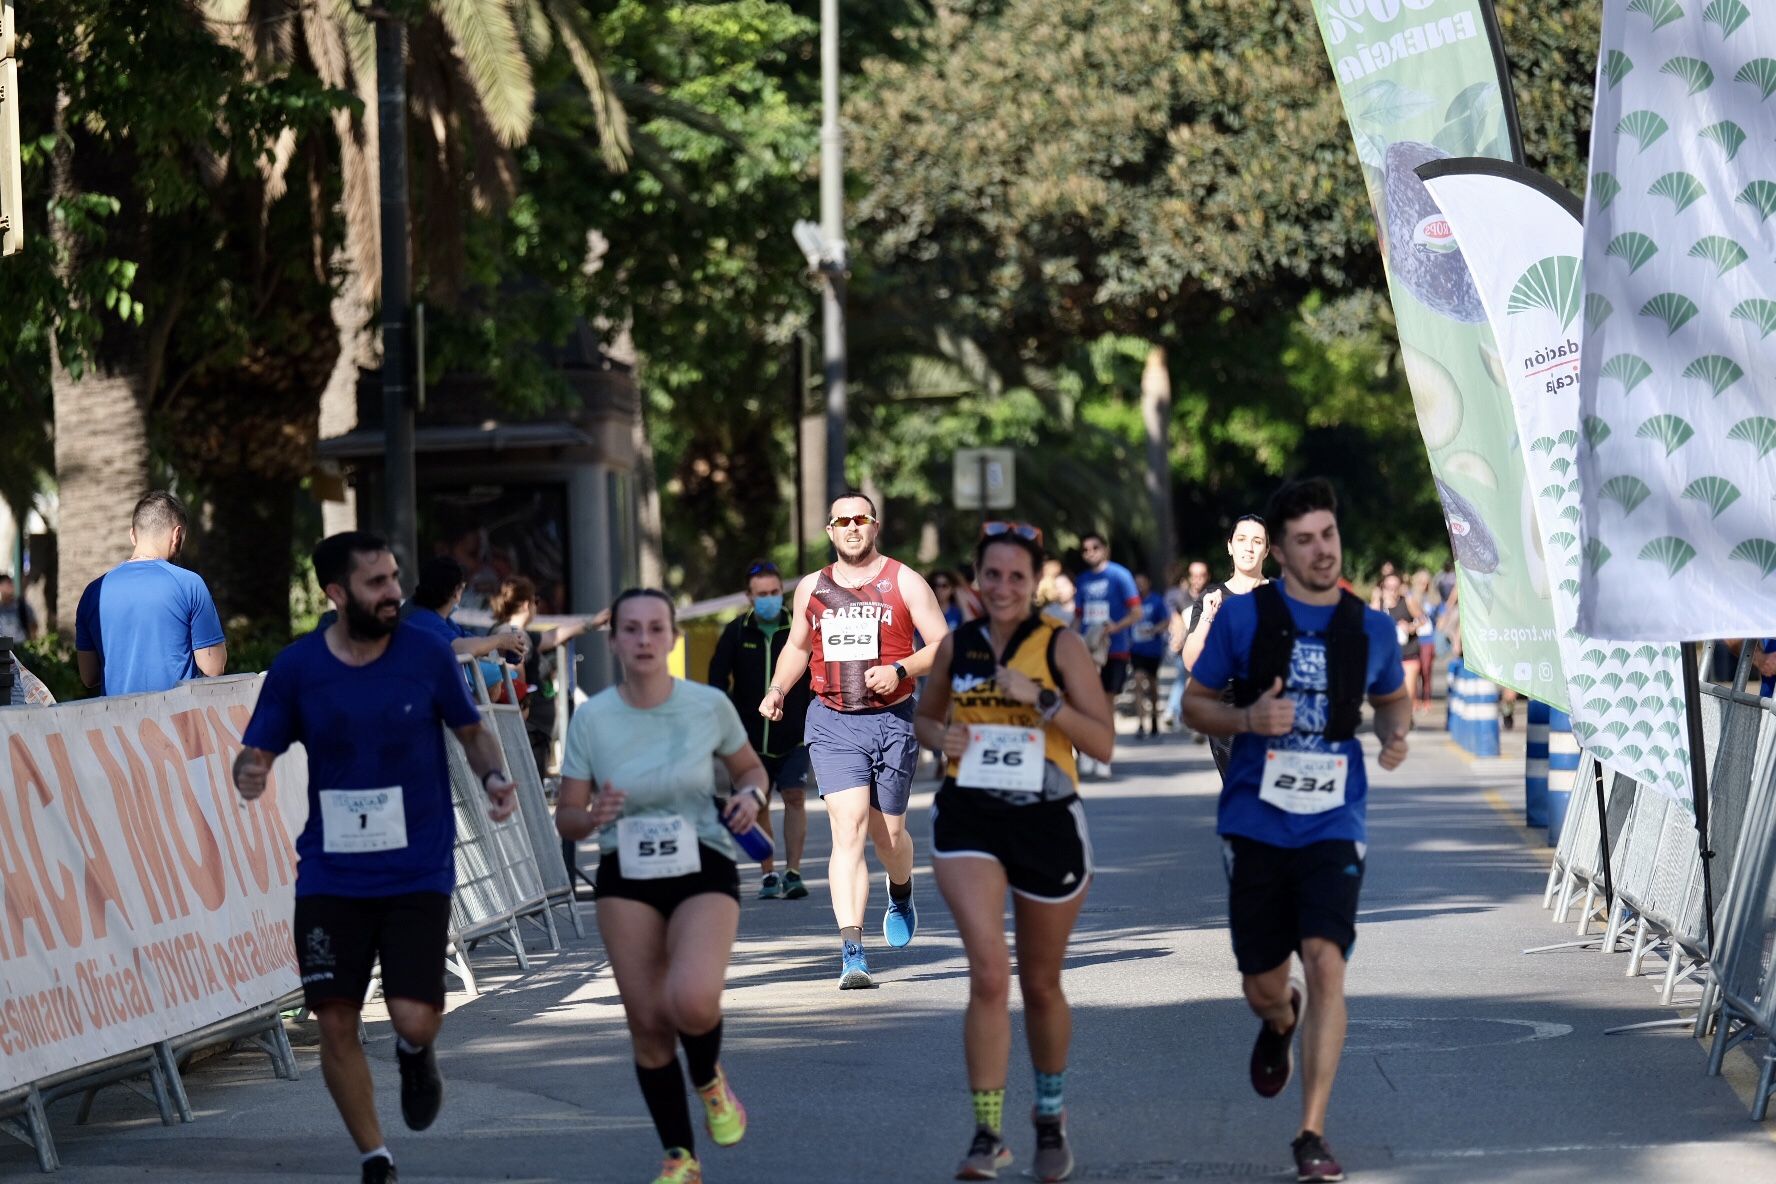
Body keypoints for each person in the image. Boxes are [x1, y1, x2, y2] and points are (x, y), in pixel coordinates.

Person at [233, 532, 519, 1184]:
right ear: (336, 595)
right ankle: (376, 1158)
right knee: (334, 1017)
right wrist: (248, 771)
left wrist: (495, 779)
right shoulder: (299, 668)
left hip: (417, 865)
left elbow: (470, 729)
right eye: (376, 583)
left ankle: (415, 1050)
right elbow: (257, 751)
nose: (393, 593)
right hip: (333, 873)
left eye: (394, 578)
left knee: (414, 1013)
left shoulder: (426, 652)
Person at [1182, 478, 1412, 1184]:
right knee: (1263, 982)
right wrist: (1247, 720)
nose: (1321, 551)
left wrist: (1395, 736)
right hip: (1254, 818)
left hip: (1333, 821)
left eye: (1329, 536)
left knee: (1327, 961)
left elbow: (1392, 699)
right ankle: (1280, 1021)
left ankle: (1311, 1132)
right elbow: (1194, 705)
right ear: (1279, 551)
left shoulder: (1367, 626)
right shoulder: (1243, 619)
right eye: (1305, 540)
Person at [916, 523, 1113, 1183]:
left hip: (1047, 821)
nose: (1003, 588)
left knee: (1040, 982)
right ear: (977, 579)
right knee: (990, 974)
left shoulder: (1061, 645)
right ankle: (986, 1131)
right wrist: (938, 736)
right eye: (992, 575)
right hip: (970, 816)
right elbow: (925, 717)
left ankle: (1049, 1118)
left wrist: (1045, 701)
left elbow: (1104, 742)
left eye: (1016, 577)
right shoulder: (957, 644)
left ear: (1035, 584)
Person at [555, 589, 766, 1184]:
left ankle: (708, 1079)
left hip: (702, 861)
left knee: (691, 1001)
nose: (644, 640)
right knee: (648, 1022)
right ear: (614, 640)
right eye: (631, 629)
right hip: (627, 872)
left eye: (655, 629)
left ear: (673, 638)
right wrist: (593, 815)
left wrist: (751, 796)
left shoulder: (707, 705)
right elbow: (566, 817)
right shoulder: (593, 717)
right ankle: (680, 1157)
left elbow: (750, 769)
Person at [759, 492, 951, 989]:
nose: (851, 527)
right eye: (841, 520)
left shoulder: (903, 581)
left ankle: (902, 888)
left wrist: (902, 668)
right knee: (848, 828)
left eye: (859, 519)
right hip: (832, 720)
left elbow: (944, 646)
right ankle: (852, 952)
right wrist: (779, 688)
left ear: (874, 526)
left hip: (891, 720)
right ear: (829, 530)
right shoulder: (811, 588)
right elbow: (797, 648)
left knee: (888, 838)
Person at [707, 560, 814, 900]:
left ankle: (793, 871)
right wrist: (726, 723)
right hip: (750, 737)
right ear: (748, 597)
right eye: (761, 594)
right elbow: (716, 680)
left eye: (774, 592)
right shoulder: (737, 631)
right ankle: (768, 872)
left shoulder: (798, 629)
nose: (769, 599)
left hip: (795, 733)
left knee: (795, 796)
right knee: (760, 801)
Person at [74, 491, 227, 696]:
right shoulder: (190, 584)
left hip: (115, 724)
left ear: (132, 535)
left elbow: (88, 676)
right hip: (175, 722)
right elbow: (213, 667)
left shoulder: (93, 592)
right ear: (176, 535)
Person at [1179, 515, 1272, 777]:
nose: (1249, 548)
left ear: (1266, 550)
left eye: (1257, 541)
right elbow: (1191, 661)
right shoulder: (1211, 598)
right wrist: (1209, 616)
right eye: (1241, 540)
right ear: (1230, 546)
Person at [490, 575, 610, 772]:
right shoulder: (515, 636)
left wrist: (594, 622)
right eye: (536, 601)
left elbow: (554, 635)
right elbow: (513, 679)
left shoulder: (515, 633)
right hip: (529, 731)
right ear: (528, 604)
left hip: (531, 729)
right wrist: (522, 705)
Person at [1073, 532, 1141, 776]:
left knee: (1105, 703)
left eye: (1095, 547)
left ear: (1105, 549)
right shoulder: (1081, 580)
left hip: (1115, 649)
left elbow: (1136, 612)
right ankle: (1088, 751)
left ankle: (1104, 754)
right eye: (1085, 549)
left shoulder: (1120, 575)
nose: (1090, 552)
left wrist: (1114, 628)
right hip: (1087, 650)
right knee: (1084, 703)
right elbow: (1078, 616)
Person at [1164, 561, 1212, 737]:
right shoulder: (1179, 597)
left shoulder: (1213, 595)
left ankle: (1183, 714)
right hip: (1184, 648)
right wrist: (1177, 640)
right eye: (1194, 576)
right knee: (1184, 677)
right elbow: (1175, 621)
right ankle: (1178, 712)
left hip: (1207, 650)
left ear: (1208, 576)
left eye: (1202, 575)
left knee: (1194, 682)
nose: (1198, 580)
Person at [1376, 573, 1429, 713]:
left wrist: (1411, 627)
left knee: (1408, 691)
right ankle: (1395, 718)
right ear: (1383, 588)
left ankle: (1406, 718)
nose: (1392, 591)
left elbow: (1423, 619)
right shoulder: (1379, 605)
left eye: (1395, 587)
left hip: (1408, 653)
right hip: (1388, 657)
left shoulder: (1407, 601)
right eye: (1389, 587)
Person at [1129, 572, 1170, 739]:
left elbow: (1166, 621)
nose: (1139, 586)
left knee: (1152, 685)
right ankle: (1140, 723)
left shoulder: (1156, 601)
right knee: (1138, 682)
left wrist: (1153, 630)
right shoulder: (1131, 602)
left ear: (1148, 583)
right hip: (1136, 649)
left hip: (1153, 649)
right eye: (1136, 583)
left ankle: (1153, 718)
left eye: (1142, 582)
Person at [1408, 569, 1437, 709]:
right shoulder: (1410, 598)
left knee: (1426, 669)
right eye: (1421, 583)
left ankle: (1426, 697)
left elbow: (1440, 616)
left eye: (1426, 583)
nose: (1424, 586)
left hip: (1428, 639)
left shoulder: (1433, 599)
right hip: (1414, 638)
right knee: (1415, 670)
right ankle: (1415, 698)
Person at [0, 573, 37, 642]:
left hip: (21, 648)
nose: (11, 586)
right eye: (7, 584)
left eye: (11, 583)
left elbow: (33, 626)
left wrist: (32, 642)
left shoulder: (22, 605)